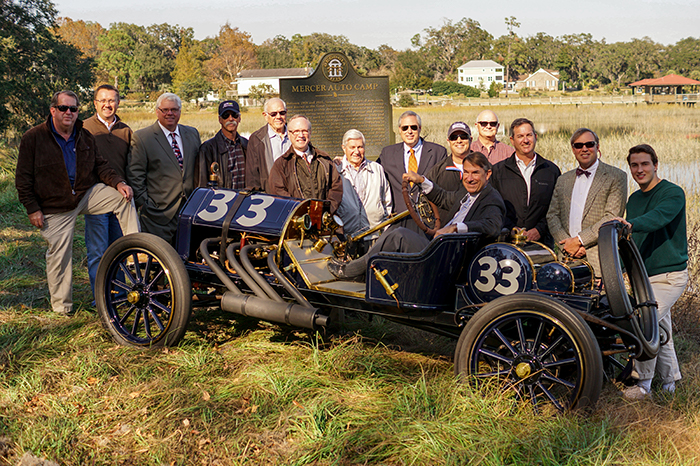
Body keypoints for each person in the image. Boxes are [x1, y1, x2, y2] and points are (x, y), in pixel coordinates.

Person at [15, 90, 140, 315]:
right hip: (55, 205)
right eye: (63, 108)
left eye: (73, 109)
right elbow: (23, 178)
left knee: (123, 197)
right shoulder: (33, 137)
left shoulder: (84, 134)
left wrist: (119, 182)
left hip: (84, 195)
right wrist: (32, 208)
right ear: (53, 110)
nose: (69, 113)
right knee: (59, 255)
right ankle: (62, 308)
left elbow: (100, 165)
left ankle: (136, 250)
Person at [328, 152, 504, 280]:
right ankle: (365, 270)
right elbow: (444, 198)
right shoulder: (466, 192)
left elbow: (492, 226)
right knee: (398, 226)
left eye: (475, 173)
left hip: (448, 260)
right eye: (466, 172)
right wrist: (421, 181)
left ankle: (352, 270)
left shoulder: (491, 198)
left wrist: (456, 228)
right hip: (438, 247)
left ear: (487, 174)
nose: (469, 178)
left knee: (399, 236)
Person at [619, 144, 688, 399]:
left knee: (644, 324)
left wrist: (631, 224)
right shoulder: (634, 199)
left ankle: (643, 383)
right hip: (644, 278)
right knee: (660, 327)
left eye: (645, 164)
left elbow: (659, 217)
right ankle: (670, 383)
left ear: (656, 165)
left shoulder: (673, 192)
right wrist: (620, 270)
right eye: (634, 165)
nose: (640, 170)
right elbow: (634, 242)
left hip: (670, 277)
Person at [546, 128, 627, 277]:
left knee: (601, 300)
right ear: (573, 149)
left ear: (597, 146)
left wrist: (579, 241)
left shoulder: (616, 177)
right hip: (566, 261)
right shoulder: (563, 180)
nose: (584, 149)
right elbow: (552, 215)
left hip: (599, 261)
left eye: (589, 144)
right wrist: (567, 246)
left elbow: (611, 217)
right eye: (579, 145)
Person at [128, 92, 201, 244]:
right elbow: (136, 174)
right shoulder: (143, 137)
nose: (170, 113)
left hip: (189, 210)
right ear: (157, 111)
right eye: (165, 110)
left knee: (187, 259)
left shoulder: (192, 134)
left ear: (180, 111)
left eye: (174, 110)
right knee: (160, 261)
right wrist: (145, 204)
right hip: (158, 214)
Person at [82, 84, 133, 299]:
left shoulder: (125, 130)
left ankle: (119, 297)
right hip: (96, 199)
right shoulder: (84, 128)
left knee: (119, 250)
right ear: (95, 103)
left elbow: (131, 165)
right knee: (98, 253)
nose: (107, 104)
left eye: (111, 100)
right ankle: (101, 298)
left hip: (121, 199)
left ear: (118, 102)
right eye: (102, 100)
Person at [490, 118, 560, 247]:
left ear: (536, 137)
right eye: (520, 136)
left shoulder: (551, 170)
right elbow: (493, 207)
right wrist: (511, 228)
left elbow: (557, 208)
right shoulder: (498, 171)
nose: (525, 140)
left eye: (529, 135)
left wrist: (539, 230)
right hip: (507, 244)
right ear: (512, 140)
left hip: (541, 245)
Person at [377, 110, 448, 233]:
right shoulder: (387, 153)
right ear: (399, 130)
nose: (409, 131)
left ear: (420, 128)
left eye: (413, 127)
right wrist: (347, 160)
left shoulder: (438, 152)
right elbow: (372, 169)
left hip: (429, 222)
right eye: (405, 128)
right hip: (399, 222)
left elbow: (444, 187)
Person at [267, 115, 343, 213]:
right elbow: (279, 193)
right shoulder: (281, 165)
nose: (301, 135)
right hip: (297, 222)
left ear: (310, 133)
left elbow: (336, 188)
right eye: (296, 131)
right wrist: (302, 214)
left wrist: (324, 212)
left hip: (325, 220)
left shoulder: (324, 159)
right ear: (289, 135)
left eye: (304, 131)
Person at [335, 129, 392, 241]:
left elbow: (387, 201)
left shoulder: (377, 169)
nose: (356, 151)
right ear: (343, 148)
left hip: (374, 235)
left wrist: (385, 230)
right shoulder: (336, 170)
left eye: (360, 147)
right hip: (347, 236)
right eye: (352, 147)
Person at [195, 100, 248, 189]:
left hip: (244, 200)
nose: (230, 119)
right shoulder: (208, 149)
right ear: (220, 119)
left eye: (234, 115)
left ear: (239, 118)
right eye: (226, 116)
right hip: (221, 201)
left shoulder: (246, 145)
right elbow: (201, 185)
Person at [425, 121, 472, 222]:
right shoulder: (437, 171)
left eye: (463, 136)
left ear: (470, 139)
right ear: (448, 141)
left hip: (476, 231)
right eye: (454, 137)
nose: (459, 140)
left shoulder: (483, 168)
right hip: (446, 233)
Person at [246, 97, 290, 191]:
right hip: (270, 195)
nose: (278, 117)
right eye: (273, 114)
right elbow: (252, 177)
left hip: (295, 197)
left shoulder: (296, 135)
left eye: (282, 113)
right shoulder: (256, 139)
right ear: (265, 116)